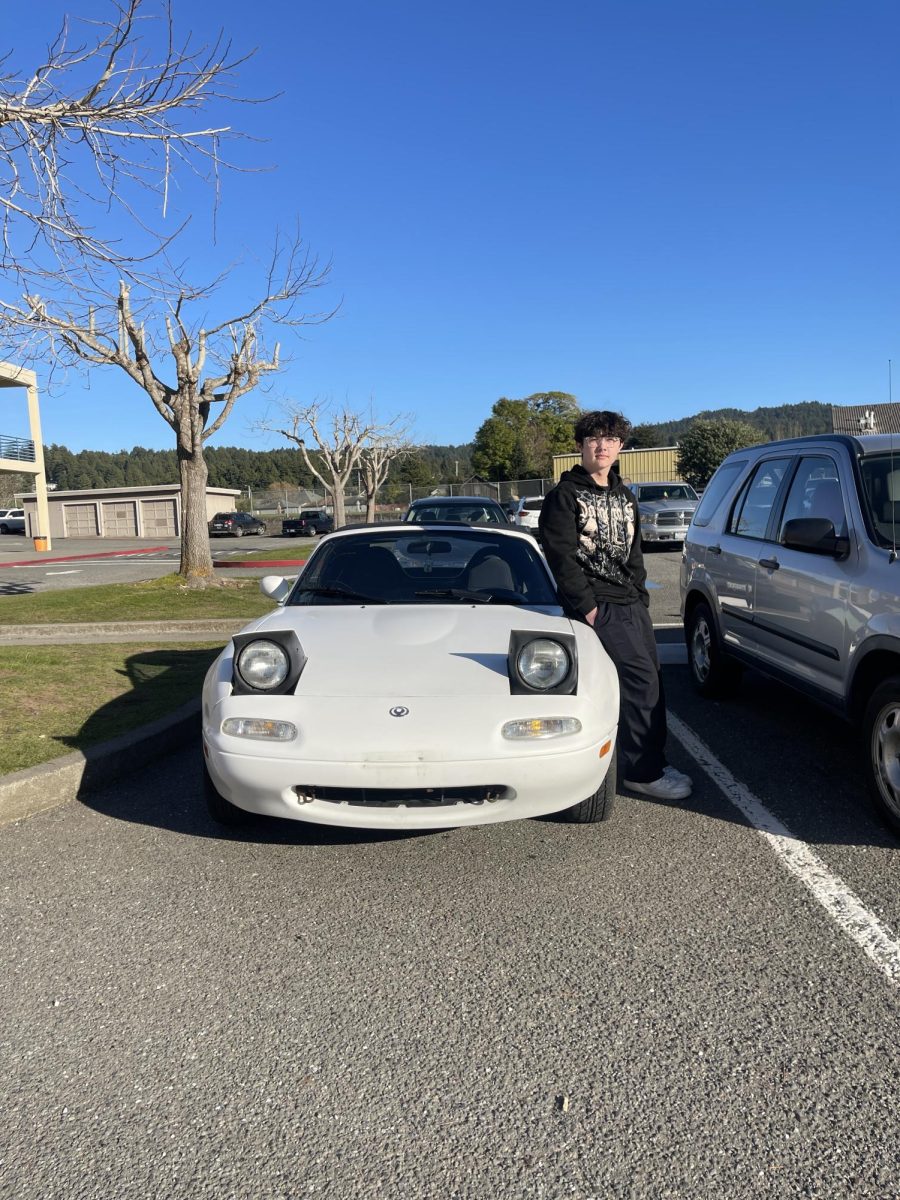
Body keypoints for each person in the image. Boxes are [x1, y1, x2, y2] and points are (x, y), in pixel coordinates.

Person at [538, 409, 692, 801]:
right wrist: (589, 608)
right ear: (580, 445)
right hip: (598, 604)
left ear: (621, 446)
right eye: (593, 439)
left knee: (651, 682)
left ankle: (650, 760)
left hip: (630, 603)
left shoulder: (624, 495)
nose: (601, 446)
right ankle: (642, 773)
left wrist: (641, 596)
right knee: (640, 683)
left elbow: (634, 553)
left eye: (610, 439)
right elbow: (560, 557)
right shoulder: (564, 496)